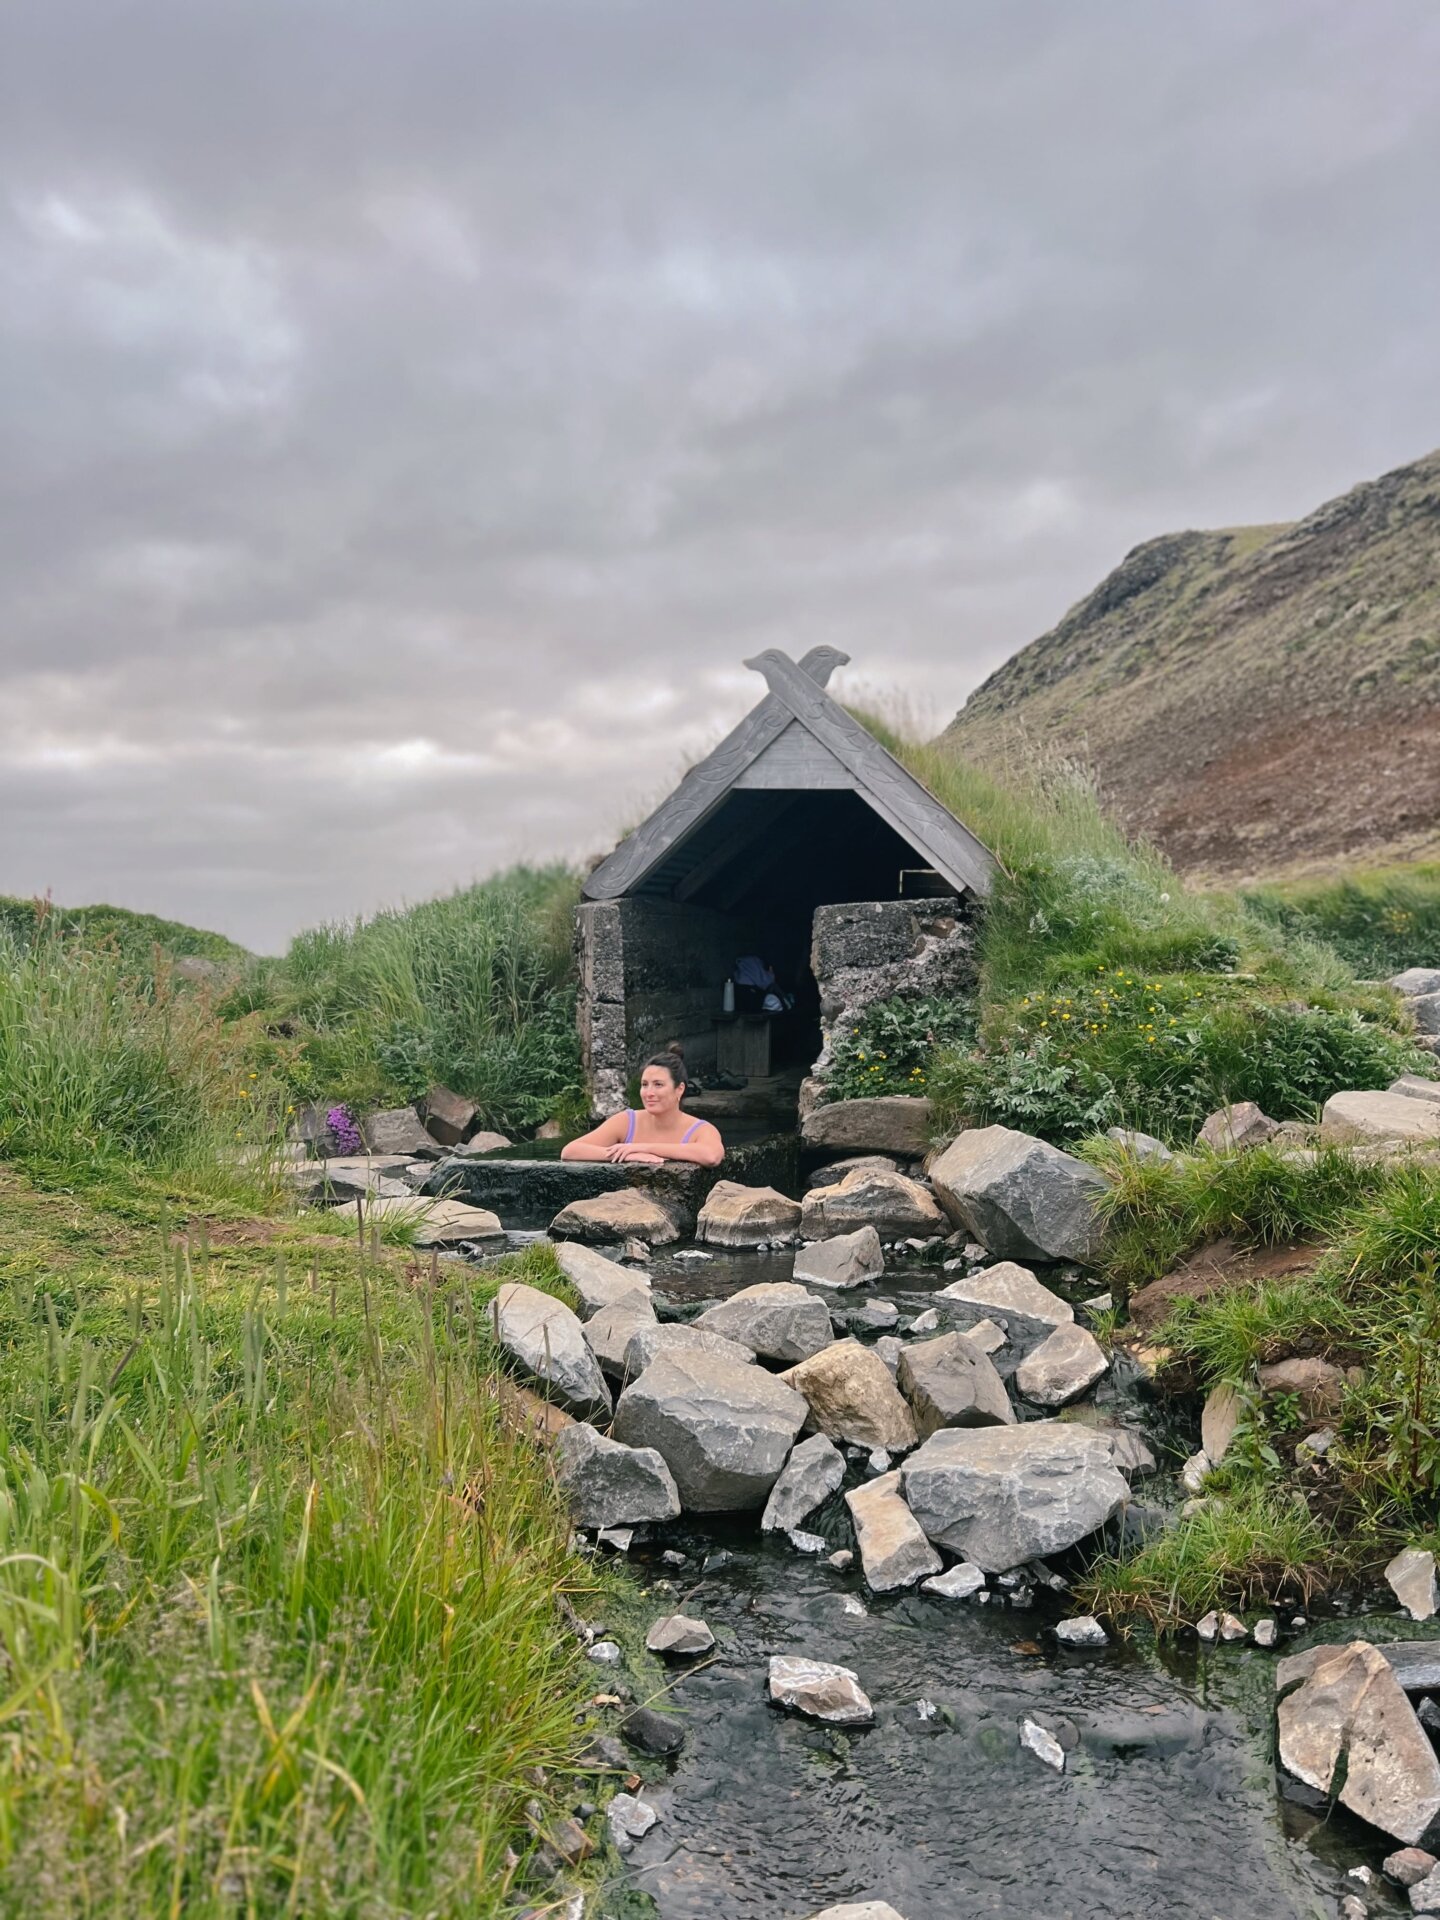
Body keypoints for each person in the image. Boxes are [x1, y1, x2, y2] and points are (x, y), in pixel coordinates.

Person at [560, 1044, 725, 1167]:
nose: (649, 1092)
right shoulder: (627, 1121)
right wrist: (627, 1154)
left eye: (658, 1085)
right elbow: (570, 1151)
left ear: (679, 1089)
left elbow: (711, 1156)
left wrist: (643, 1148)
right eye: (645, 1084)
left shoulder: (701, 1130)